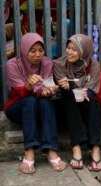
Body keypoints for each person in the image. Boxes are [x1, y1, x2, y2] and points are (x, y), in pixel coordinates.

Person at [4, 33, 67, 174]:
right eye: (33, 51)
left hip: (39, 108)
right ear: (25, 50)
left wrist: (48, 91)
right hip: (17, 107)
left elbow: (45, 86)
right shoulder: (12, 64)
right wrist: (29, 85)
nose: (38, 54)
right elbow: (21, 92)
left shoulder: (47, 63)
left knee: (44, 101)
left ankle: (51, 150)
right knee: (30, 100)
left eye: (41, 50)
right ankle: (29, 151)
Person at [53, 34, 101, 171]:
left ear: (84, 51)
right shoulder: (59, 64)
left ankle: (95, 147)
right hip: (66, 106)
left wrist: (86, 93)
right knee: (70, 97)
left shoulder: (94, 66)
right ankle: (76, 147)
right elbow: (62, 93)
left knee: (92, 100)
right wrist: (65, 87)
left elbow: (92, 90)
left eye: (74, 49)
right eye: (68, 48)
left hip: (86, 103)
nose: (69, 52)